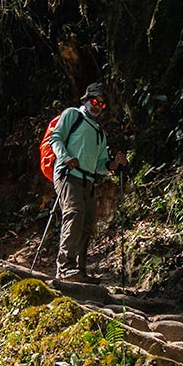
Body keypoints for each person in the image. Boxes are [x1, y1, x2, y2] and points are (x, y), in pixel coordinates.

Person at [48, 82, 128, 283]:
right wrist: (65, 157)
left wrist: (114, 164)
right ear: (86, 99)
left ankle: (79, 270)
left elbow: (100, 164)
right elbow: (55, 138)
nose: (97, 106)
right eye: (94, 101)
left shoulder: (100, 133)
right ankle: (65, 267)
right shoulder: (73, 115)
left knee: (88, 223)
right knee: (74, 213)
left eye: (102, 104)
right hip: (68, 174)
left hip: (89, 181)